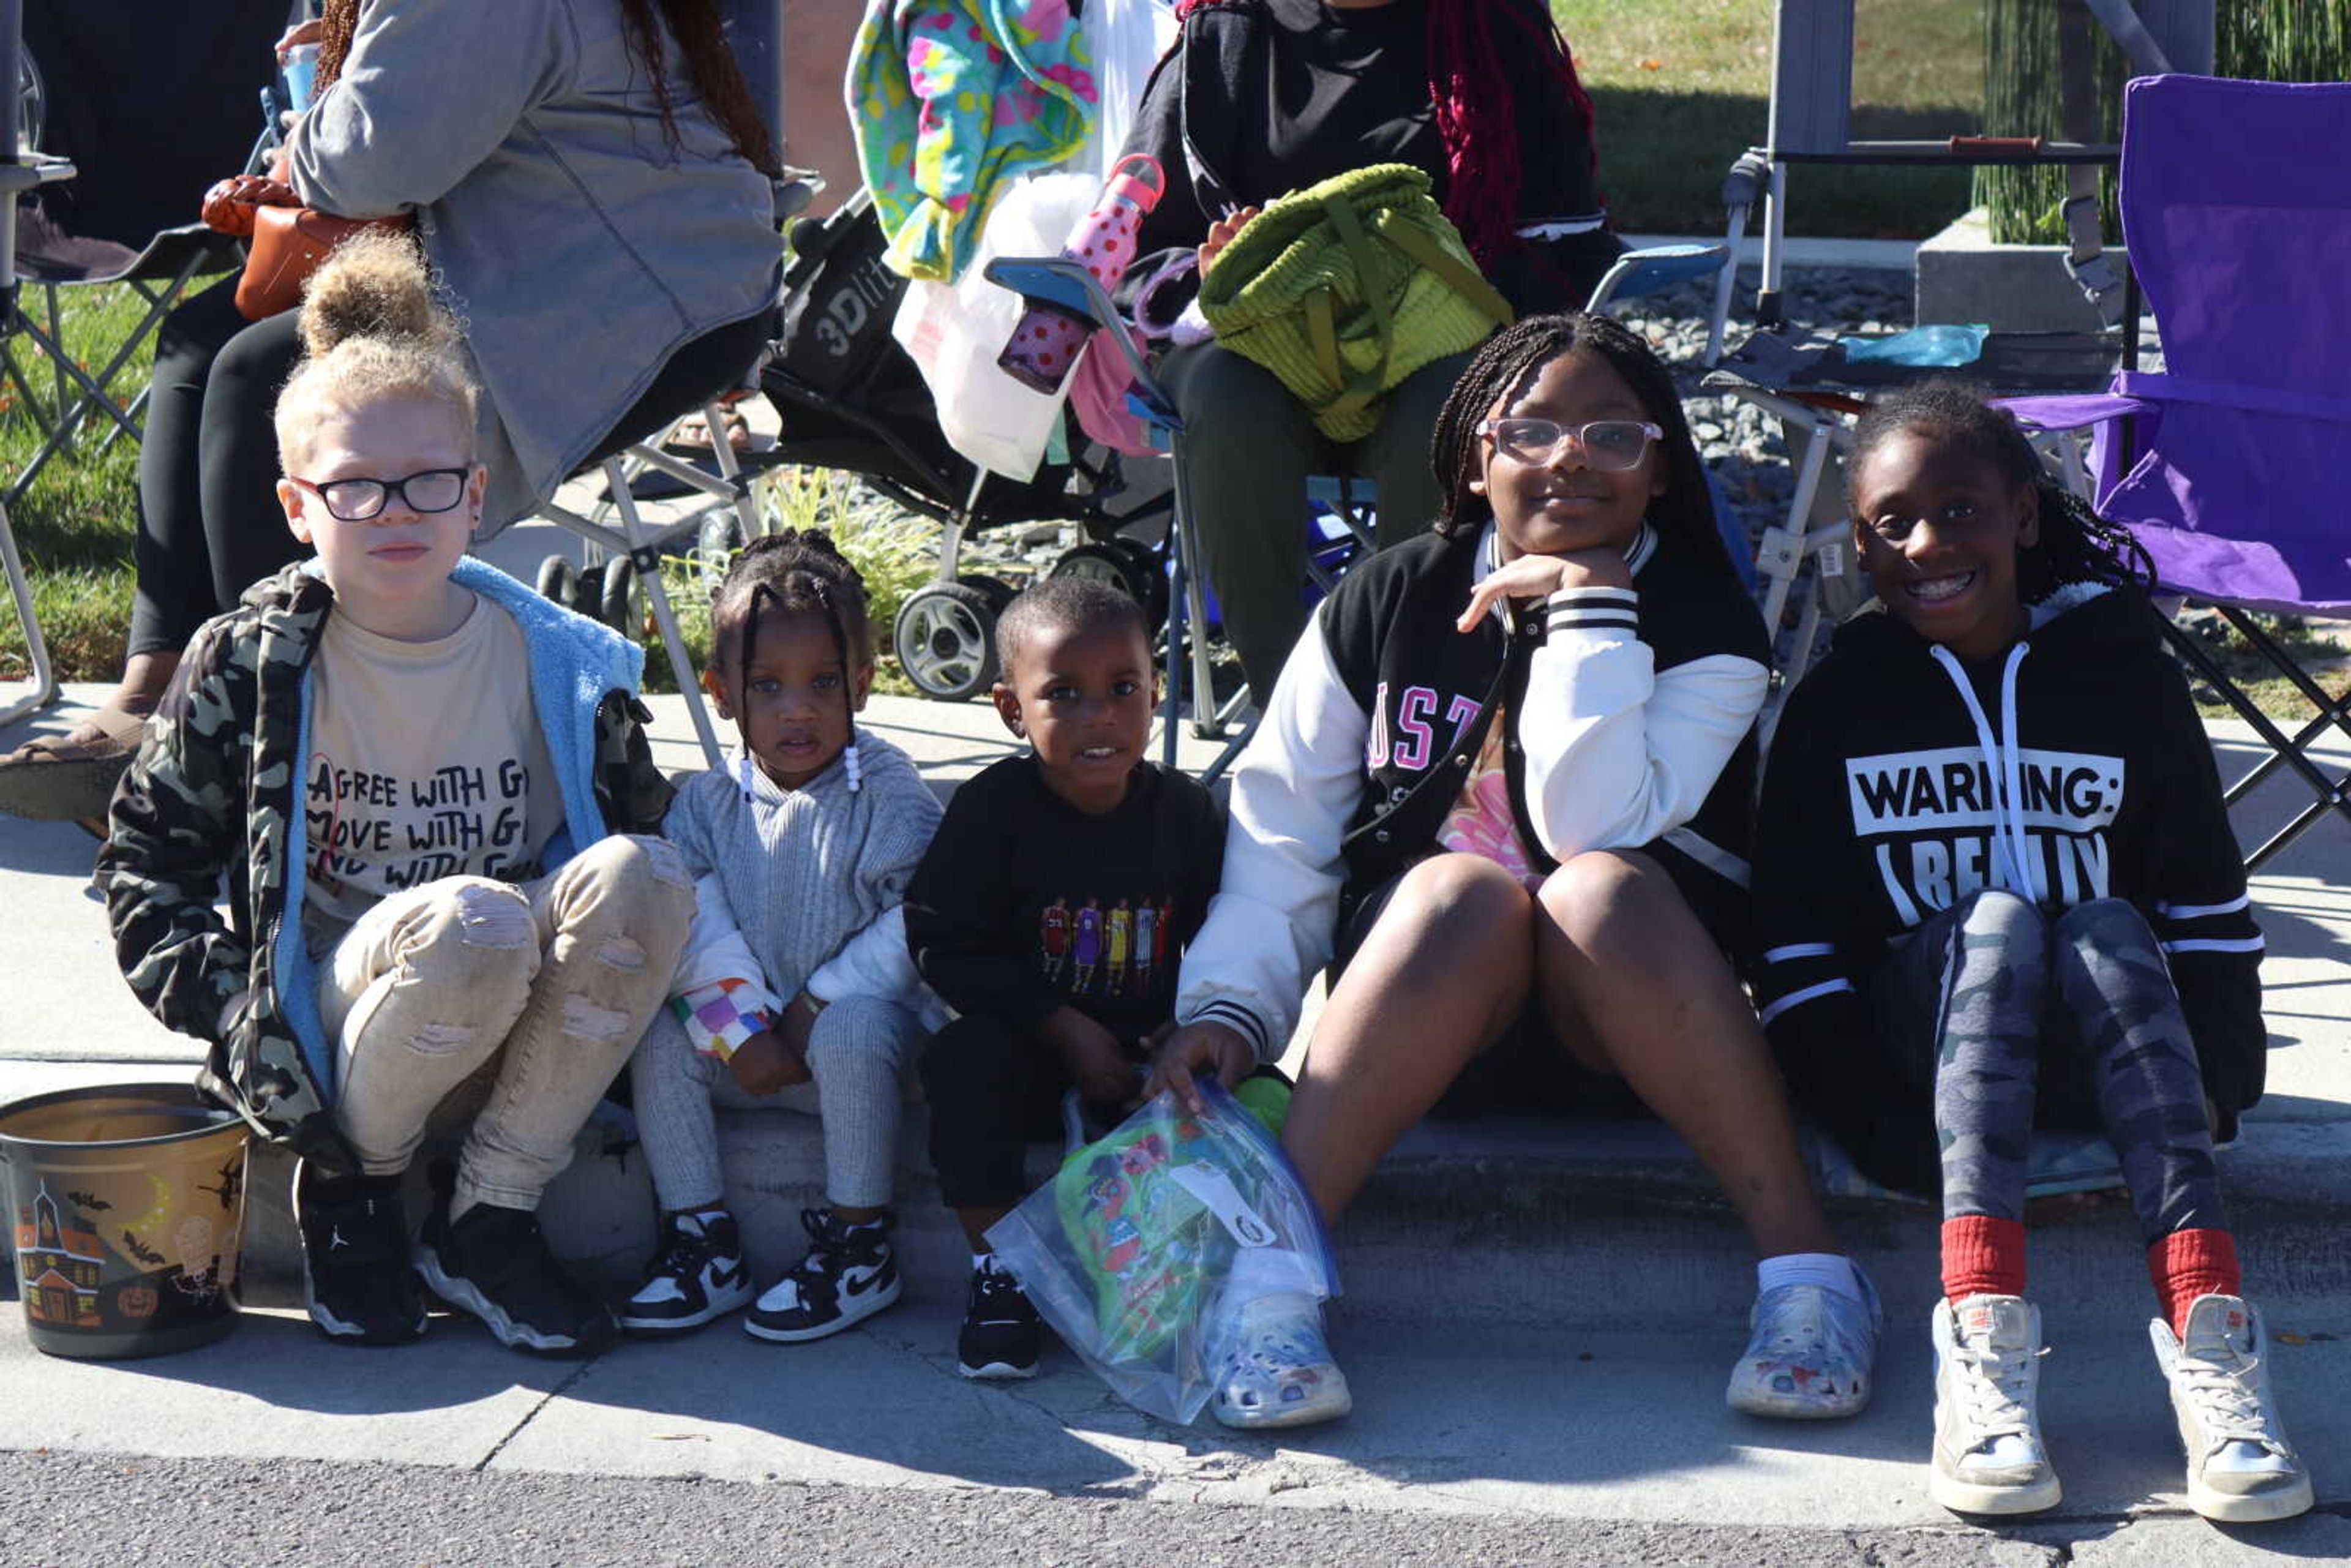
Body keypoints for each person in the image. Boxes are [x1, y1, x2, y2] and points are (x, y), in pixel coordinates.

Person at [1145, 310, 1881, 1430]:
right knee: (1459, 887)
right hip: (1433, 1017)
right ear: (1474, 453)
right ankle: (1271, 1284)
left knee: (1595, 883)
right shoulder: (1389, 596)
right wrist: (1232, 1006)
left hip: (1633, 1030)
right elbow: (1282, 828)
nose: (1570, 457)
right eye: (1530, 430)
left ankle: (1812, 1282)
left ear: (1659, 469)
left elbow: (1590, 821)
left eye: (1612, 437)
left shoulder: (1707, 622)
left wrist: (1589, 599)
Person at [94, 234, 692, 1357]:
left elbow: (644, 828)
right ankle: (355, 1200)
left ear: (475, 496)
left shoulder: (556, 660)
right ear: (296, 505)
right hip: (346, 1030)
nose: (396, 512)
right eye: (356, 488)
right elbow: (143, 872)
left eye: (427, 483)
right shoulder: (250, 667)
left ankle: (488, 1219)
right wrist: (239, 1017)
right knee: (476, 916)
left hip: (520, 1017)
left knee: (644, 872)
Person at [0, 0, 779, 822]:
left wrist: (322, 106)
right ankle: (160, 693)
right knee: (199, 347)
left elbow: (365, 166)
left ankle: (278, 745)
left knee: (266, 383)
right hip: (546, 250)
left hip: (639, 292)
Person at [1752, 385, 2311, 1523]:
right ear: (1859, 540)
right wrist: (1876, 1125)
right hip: (1927, 1059)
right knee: (1999, 923)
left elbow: (2203, 900)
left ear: (2021, 514)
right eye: (1891, 524)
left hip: (2108, 1048)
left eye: (1959, 511)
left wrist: (2222, 1074)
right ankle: (1982, 1339)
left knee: (2106, 926)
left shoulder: (2123, 675)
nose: (1926, 547)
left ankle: (2215, 1344)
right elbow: (1797, 945)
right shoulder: (1840, 700)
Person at [1117, 0, 1625, 707]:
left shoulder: (1492, 28)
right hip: (1262, 344)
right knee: (1222, 398)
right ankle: (1289, 709)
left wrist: (1416, 279)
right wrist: (1211, 277)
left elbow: (1567, 242)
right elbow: (1139, 242)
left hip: (1441, 344)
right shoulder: (1226, 32)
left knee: (1455, 404)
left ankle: (1410, 699)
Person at [618, 533, 942, 1343]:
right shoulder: (707, 805)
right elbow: (693, 921)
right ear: (724, 693)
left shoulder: (891, 796)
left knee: (856, 1025)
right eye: (768, 686)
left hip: (868, 1054)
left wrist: (817, 1001)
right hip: (756, 1054)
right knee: (659, 1034)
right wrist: (740, 1028)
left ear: (863, 685)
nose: (798, 709)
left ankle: (860, 1243)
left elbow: (920, 920)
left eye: (823, 683)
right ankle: (704, 1240)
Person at [904, 577, 1227, 1381]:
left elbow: (1227, 932)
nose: (1100, 716)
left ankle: (1216, 1284)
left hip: (1149, 1052)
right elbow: (944, 943)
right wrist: (1063, 1027)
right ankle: (1002, 1270)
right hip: (1030, 1040)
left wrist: (1189, 1026)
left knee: (1258, 1091)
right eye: (1064, 695)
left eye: (1124, 689)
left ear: (1158, 692)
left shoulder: (1186, 814)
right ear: (1012, 709)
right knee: (960, 1061)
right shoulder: (992, 811)